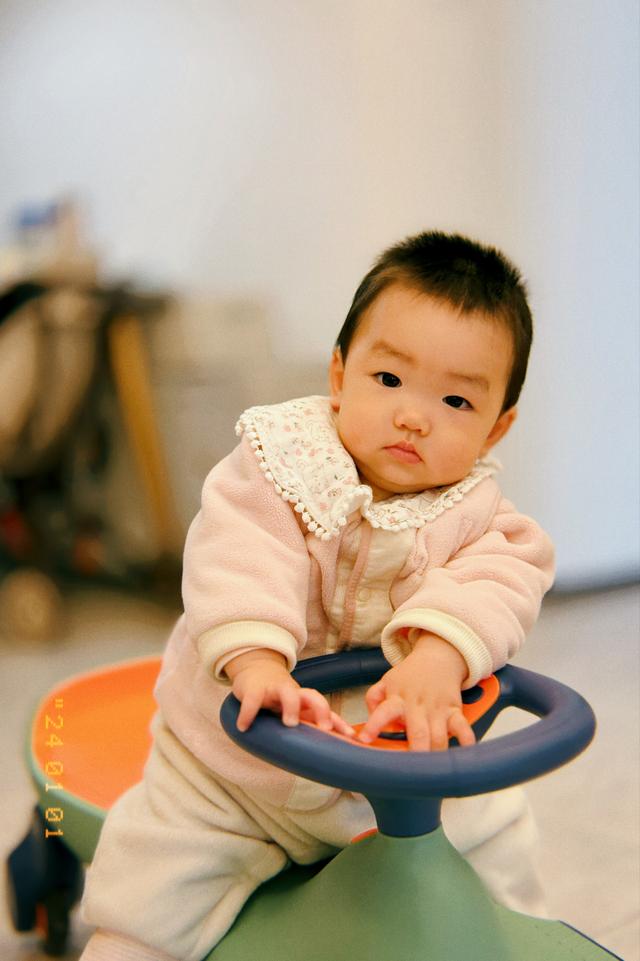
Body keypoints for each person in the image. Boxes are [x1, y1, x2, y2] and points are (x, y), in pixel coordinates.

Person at [80, 231, 555, 961]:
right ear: (340, 374)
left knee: (496, 832)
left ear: (497, 427)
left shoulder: (482, 514)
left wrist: (437, 657)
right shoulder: (277, 465)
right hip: (235, 766)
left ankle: (514, 939)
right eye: (389, 380)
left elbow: (505, 575)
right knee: (148, 886)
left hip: (393, 775)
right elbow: (239, 555)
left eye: (456, 398)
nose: (414, 416)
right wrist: (258, 664)